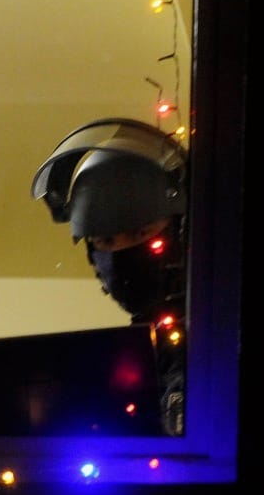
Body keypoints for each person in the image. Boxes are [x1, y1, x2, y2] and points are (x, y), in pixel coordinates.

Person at [30, 117, 187, 435]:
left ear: (179, 230)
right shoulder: (136, 354)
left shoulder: (216, 335)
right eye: (106, 241)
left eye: (140, 232)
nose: (122, 253)